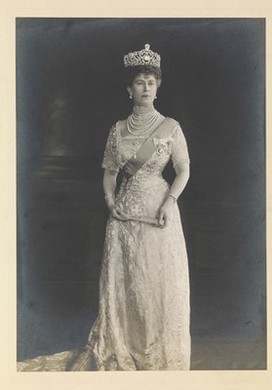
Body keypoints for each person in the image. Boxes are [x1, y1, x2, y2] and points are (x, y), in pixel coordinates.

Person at [17, 43, 191, 372]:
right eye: (140, 82)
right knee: (127, 286)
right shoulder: (118, 130)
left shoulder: (172, 127)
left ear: (158, 87)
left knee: (157, 283)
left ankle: (157, 352)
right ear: (129, 89)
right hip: (124, 218)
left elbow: (184, 170)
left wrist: (170, 201)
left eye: (151, 82)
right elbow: (110, 175)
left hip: (159, 214)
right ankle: (126, 347)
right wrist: (110, 202)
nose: (146, 87)